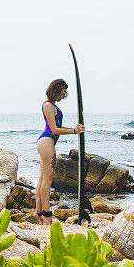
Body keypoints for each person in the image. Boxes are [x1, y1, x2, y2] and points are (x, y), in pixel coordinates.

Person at [35, 78, 85, 224]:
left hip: (47, 143)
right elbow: (54, 129)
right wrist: (74, 131)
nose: (63, 97)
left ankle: (38, 213)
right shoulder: (48, 105)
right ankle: (46, 214)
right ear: (55, 91)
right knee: (48, 180)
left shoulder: (51, 105)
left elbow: (57, 127)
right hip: (47, 142)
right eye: (62, 93)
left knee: (42, 179)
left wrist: (74, 129)